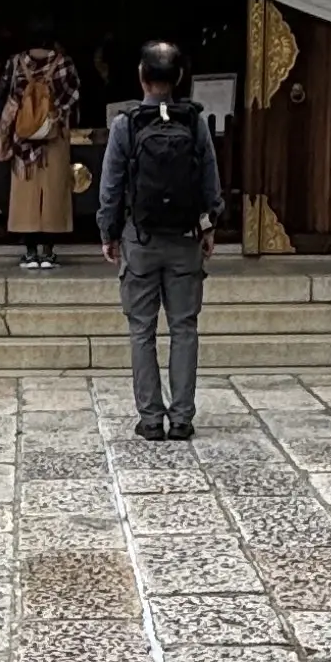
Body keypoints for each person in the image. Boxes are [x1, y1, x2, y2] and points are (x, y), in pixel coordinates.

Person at [99, 39, 221, 440]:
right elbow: (209, 181)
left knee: (142, 330)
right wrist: (208, 227)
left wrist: (109, 232)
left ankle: (151, 418)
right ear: (181, 77)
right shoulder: (194, 122)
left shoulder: (126, 124)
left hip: (141, 238)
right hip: (185, 239)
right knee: (184, 328)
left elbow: (112, 184)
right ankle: (182, 417)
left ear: (141, 75)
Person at [0, 39, 80, 270]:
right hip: (54, 136)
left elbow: (7, 95)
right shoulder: (64, 63)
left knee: (26, 196)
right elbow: (72, 97)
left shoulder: (16, 62)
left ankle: (30, 252)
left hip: (23, 138)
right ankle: (49, 252)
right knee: (52, 194)